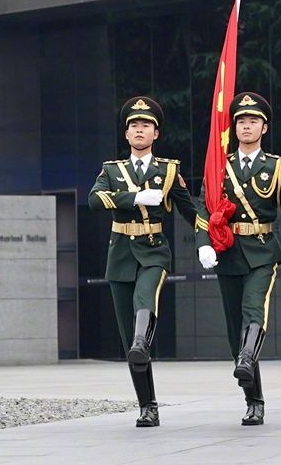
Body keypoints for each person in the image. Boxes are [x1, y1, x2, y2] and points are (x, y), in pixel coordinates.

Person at [194, 91, 281, 426]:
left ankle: (247, 358)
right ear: (234, 128)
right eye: (241, 121)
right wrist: (203, 242)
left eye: (253, 121)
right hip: (227, 252)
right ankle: (254, 400)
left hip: (263, 251)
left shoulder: (277, 167)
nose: (247, 126)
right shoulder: (220, 167)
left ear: (264, 127)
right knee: (236, 328)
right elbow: (205, 211)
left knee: (253, 309)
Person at [88, 96, 198, 427]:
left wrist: (211, 240)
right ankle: (147, 405)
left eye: (145, 125)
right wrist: (132, 197)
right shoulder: (112, 170)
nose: (139, 130)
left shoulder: (168, 171)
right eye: (134, 125)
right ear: (126, 134)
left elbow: (191, 211)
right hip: (120, 254)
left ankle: (142, 340)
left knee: (144, 299)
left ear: (155, 134)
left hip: (153, 251)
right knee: (127, 336)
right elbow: (95, 200)